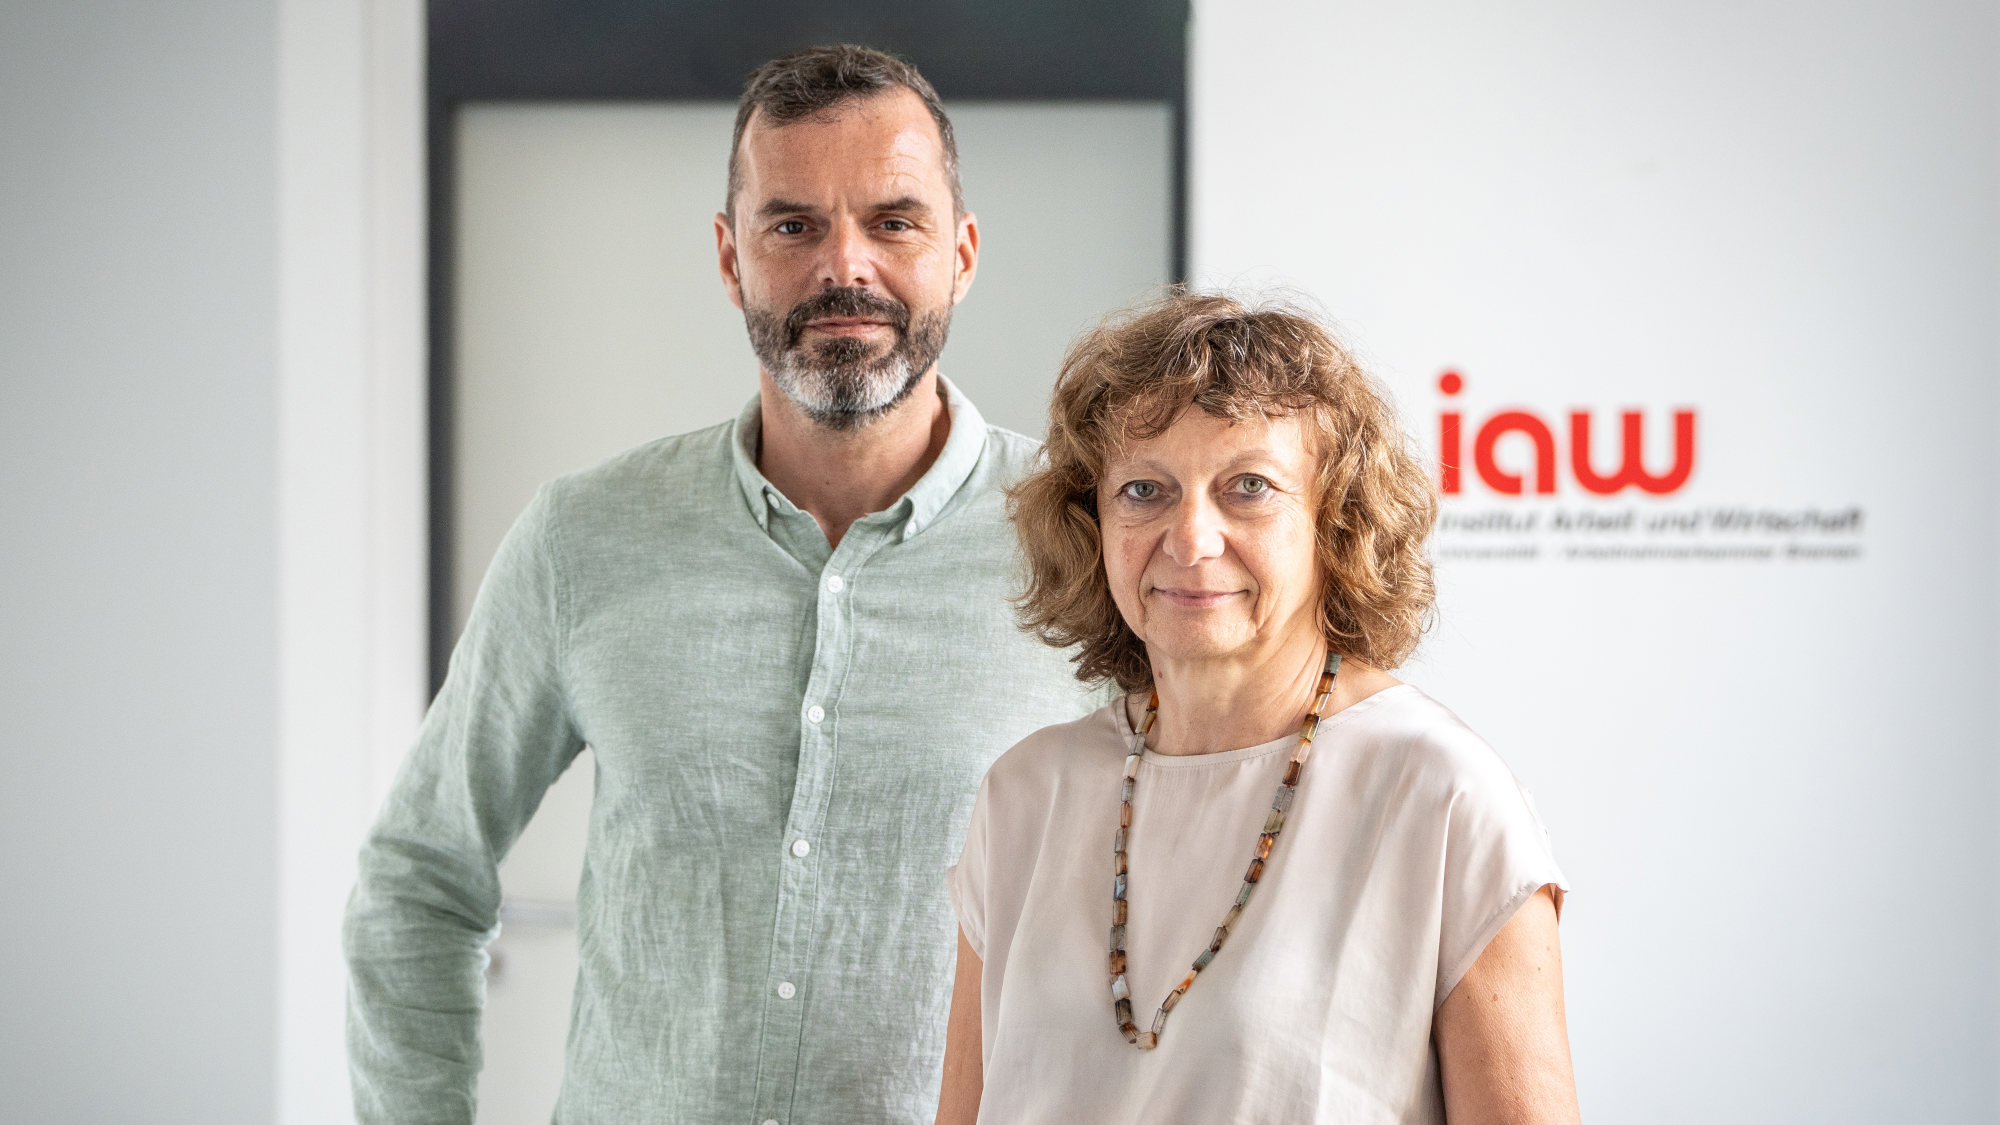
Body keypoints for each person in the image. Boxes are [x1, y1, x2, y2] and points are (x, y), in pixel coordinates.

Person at [344, 46, 1100, 1125]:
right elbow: (417, 881)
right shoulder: (584, 538)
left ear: (961, 253)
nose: (846, 267)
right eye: (791, 225)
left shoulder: (1087, 543)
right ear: (729, 257)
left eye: (894, 221)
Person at [937, 293, 1580, 1123]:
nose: (1192, 537)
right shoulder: (1025, 793)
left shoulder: (1443, 795)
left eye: (1248, 486)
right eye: (1143, 489)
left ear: (1334, 522)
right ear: (1090, 520)